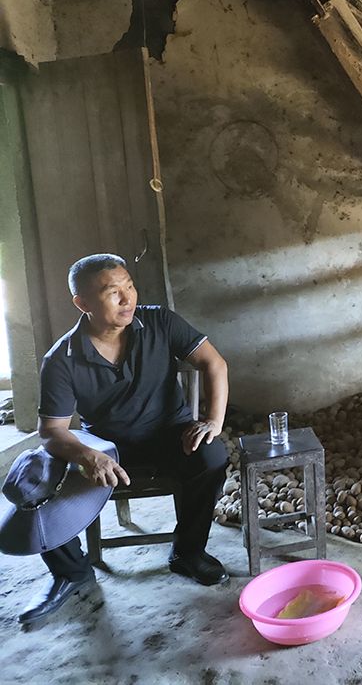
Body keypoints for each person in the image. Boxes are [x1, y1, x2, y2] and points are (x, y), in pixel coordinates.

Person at [16, 254, 231, 625]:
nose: (127, 298)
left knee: (211, 455)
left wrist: (212, 421)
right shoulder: (62, 358)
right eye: (112, 292)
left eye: (129, 286)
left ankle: (188, 552)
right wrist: (87, 455)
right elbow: (52, 430)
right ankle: (72, 572)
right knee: (33, 478)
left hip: (170, 435)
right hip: (107, 449)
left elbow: (214, 363)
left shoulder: (160, 321)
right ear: (82, 303)